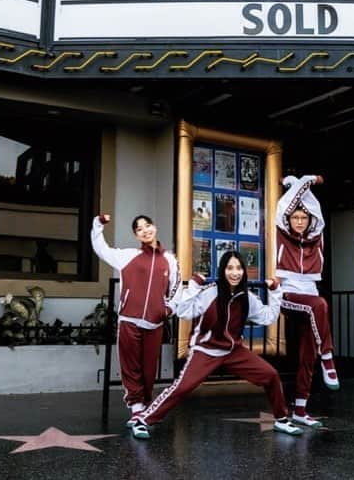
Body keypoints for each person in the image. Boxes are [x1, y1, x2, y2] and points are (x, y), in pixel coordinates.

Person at [131, 250, 303, 439]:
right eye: (230, 268)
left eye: (238, 268)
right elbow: (184, 312)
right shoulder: (210, 292)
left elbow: (268, 316)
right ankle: (143, 420)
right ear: (223, 271)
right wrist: (194, 287)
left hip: (233, 351)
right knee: (182, 388)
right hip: (206, 350)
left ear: (244, 271)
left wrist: (275, 292)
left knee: (270, 375)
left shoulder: (247, 297)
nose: (235, 273)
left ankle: (281, 419)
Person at [91, 213, 181, 427]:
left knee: (149, 370)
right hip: (129, 321)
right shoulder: (127, 256)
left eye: (148, 226)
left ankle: (144, 407)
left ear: (155, 227)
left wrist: (168, 309)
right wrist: (98, 225)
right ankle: (136, 409)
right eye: (140, 229)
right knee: (130, 367)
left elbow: (177, 288)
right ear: (136, 235)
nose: (145, 230)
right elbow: (101, 249)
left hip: (155, 322)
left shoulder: (169, 260)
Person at [275, 174, 338, 429]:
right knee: (320, 305)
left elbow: (315, 209)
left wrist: (299, 183)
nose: (299, 221)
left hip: (309, 293)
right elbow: (284, 206)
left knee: (307, 354)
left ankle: (300, 409)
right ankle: (329, 356)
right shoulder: (282, 230)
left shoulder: (316, 235)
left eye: (303, 218)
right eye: (296, 217)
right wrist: (305, 181)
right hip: (288, 294)